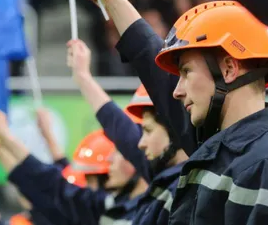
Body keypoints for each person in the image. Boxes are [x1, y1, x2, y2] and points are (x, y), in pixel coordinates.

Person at [72, 0, 268, 224]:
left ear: (228, 69)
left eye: (186, 72)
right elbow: (153, 68)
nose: (176, 91)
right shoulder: (217, 146)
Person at [67, 38, 188, 224]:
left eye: (147, 131)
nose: (140, 142)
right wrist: (82, 77)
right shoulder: (165, 177)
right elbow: (119, 127)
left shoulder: (190, 189)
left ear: (175, 128)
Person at [0, 114, 148, 225]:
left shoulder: (110, 210)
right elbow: (50, 183)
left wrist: (4, 141)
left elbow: (51, 184)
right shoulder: (106, 206)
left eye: (91, 179)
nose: (83, 186)